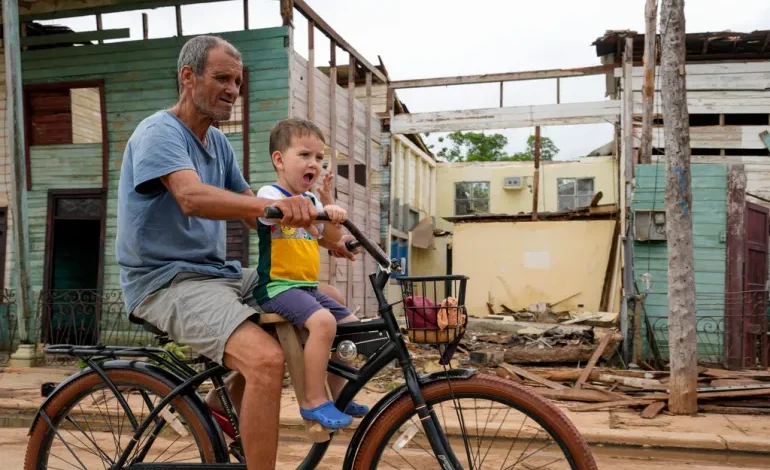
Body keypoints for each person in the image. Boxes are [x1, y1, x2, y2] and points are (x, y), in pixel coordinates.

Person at [115, 35, 355, 470]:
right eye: (222, 78)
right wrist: (277, 206)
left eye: (237, 81)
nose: (232, 90)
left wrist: (322, 232)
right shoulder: (159, 132)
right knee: (266, 358)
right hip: (165, 281)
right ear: (188, 78)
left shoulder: (219, 144)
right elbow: (190, 197)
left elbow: (253, 217)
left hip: (217, 273)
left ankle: (221, 406)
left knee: (328, 301)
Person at [252, 118, 367, 430]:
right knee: (323, 322)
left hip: (305, 287)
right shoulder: (269, 192)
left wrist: (330, 205)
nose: (313, 163)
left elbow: (326, 236)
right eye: (304, 155)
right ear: (279, 159)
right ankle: (312, 401)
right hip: (277, 287)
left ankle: (341, 395)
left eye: (318, 157)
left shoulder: (314, 200)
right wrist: (298, 209)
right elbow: (269, 214)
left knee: (351, 326)